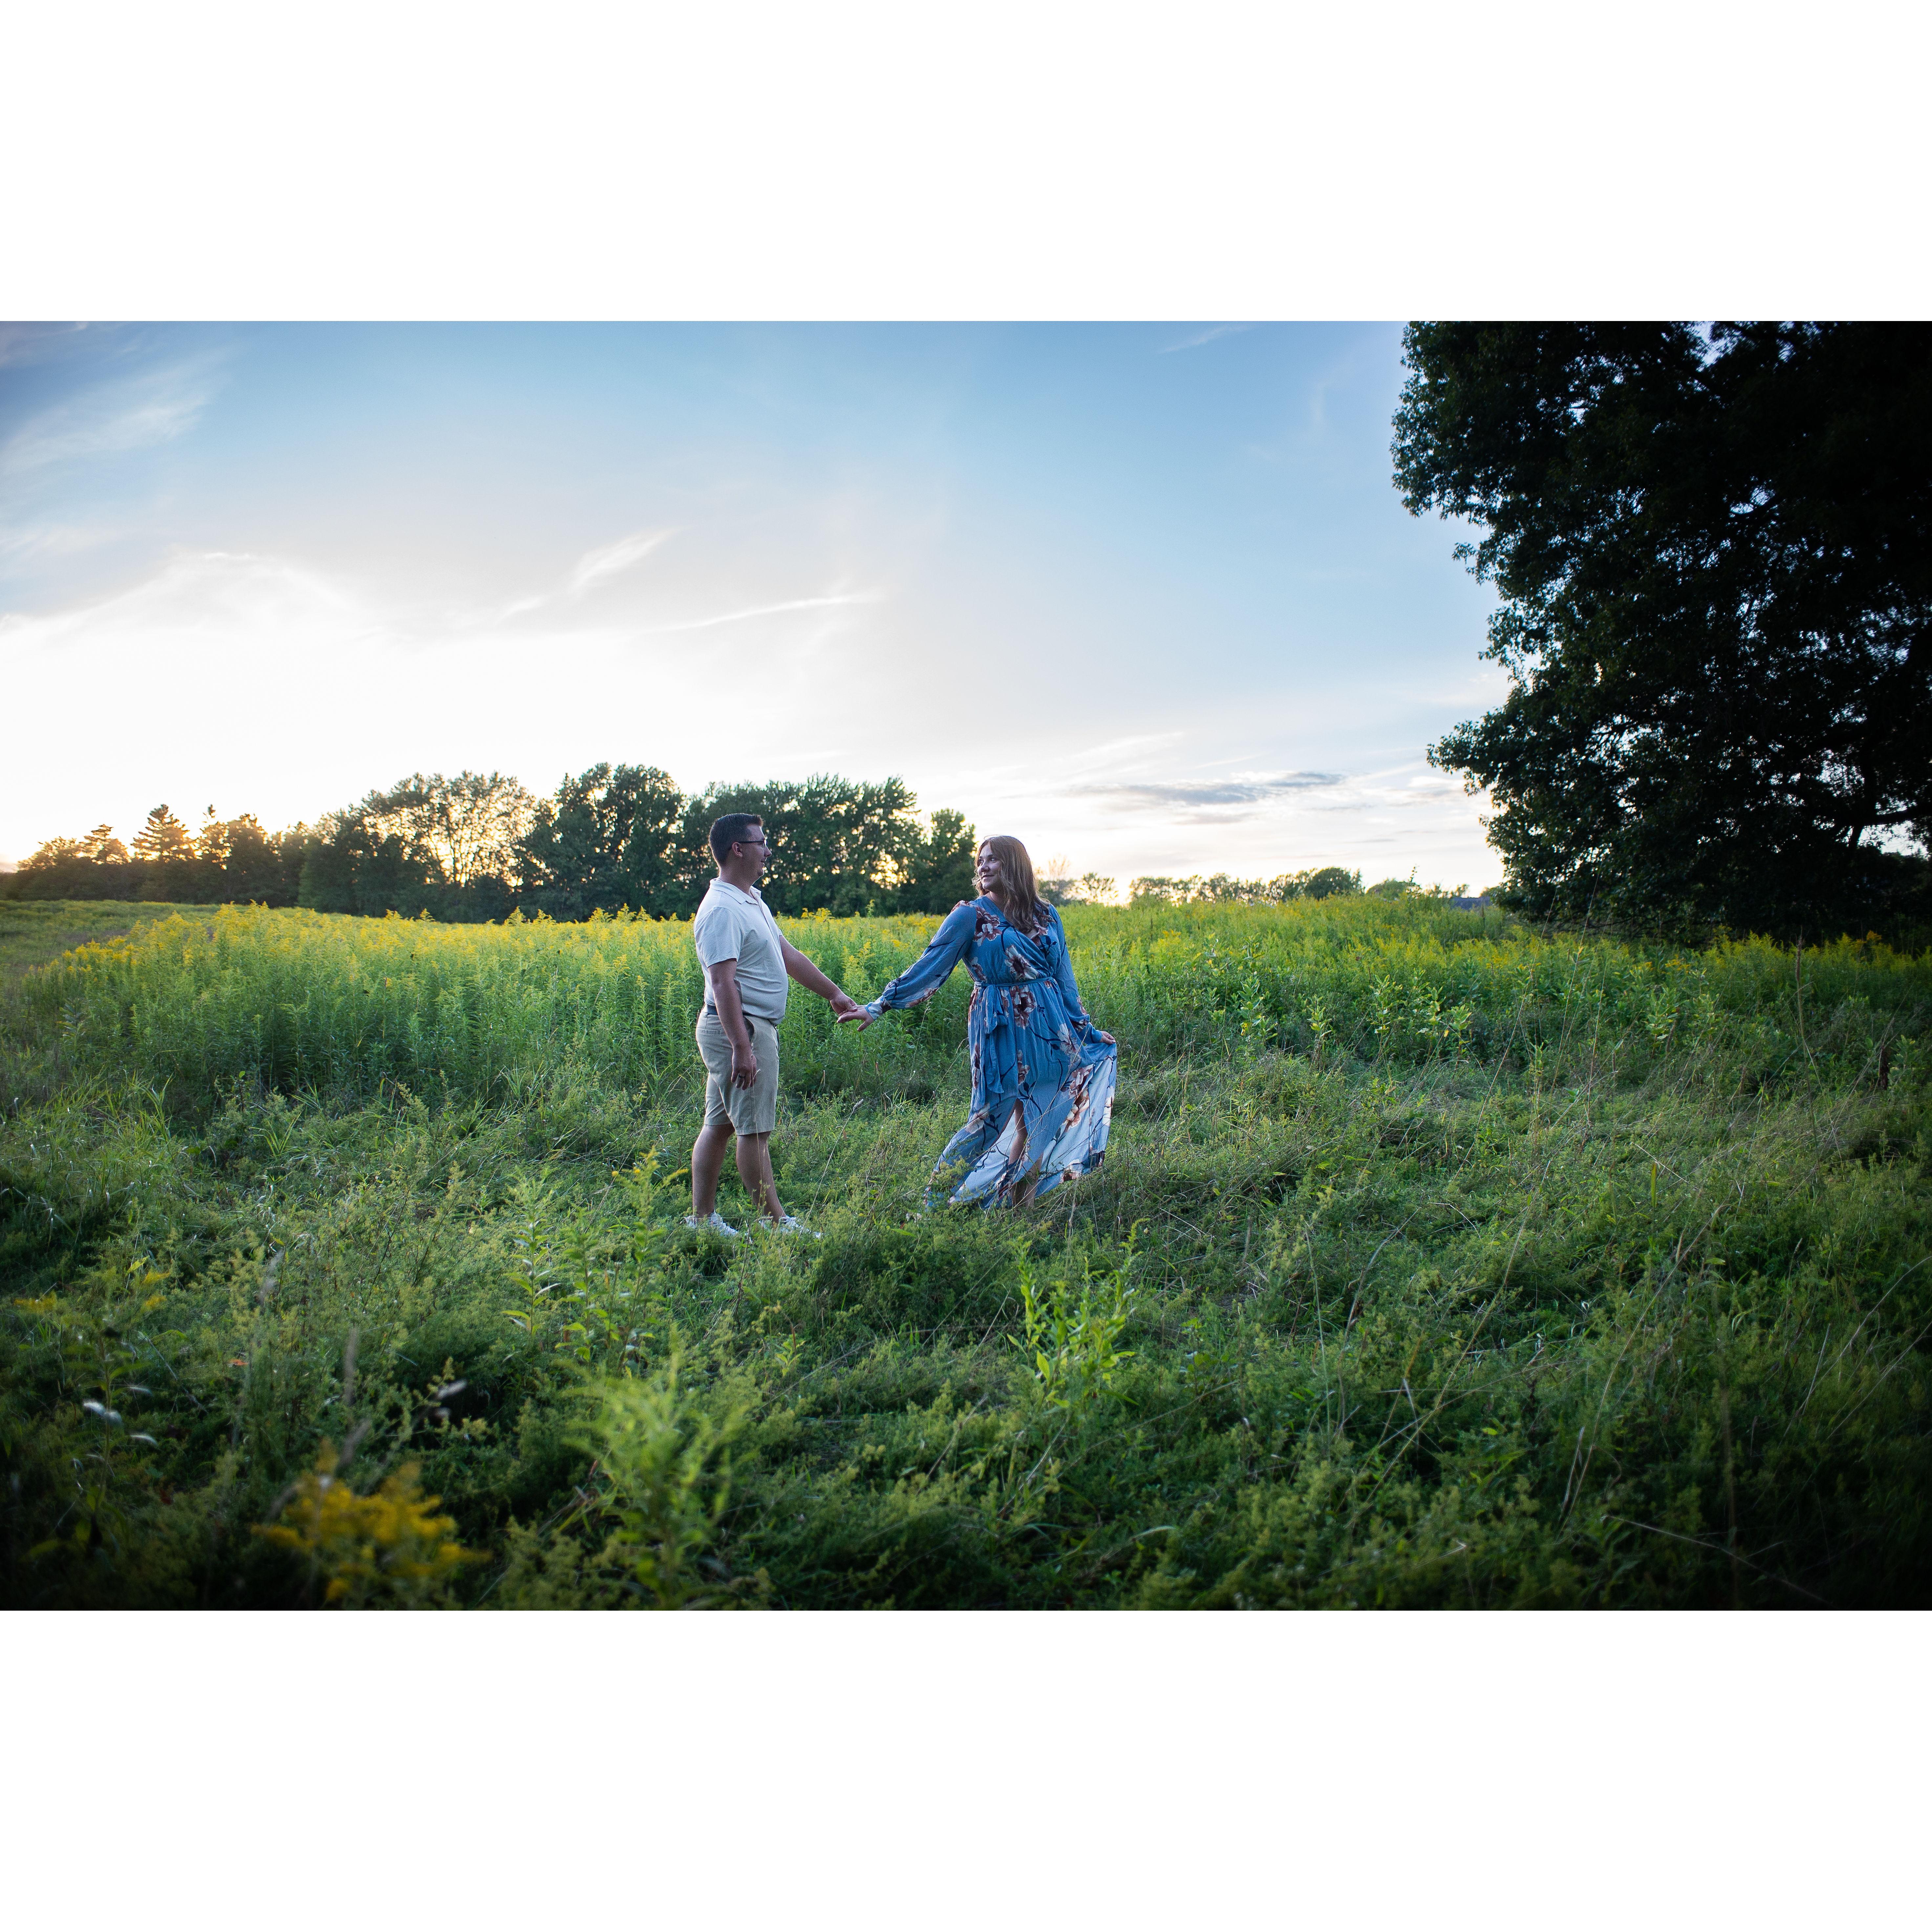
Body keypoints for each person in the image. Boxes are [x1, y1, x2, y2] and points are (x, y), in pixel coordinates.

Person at [839, 835, 1116, 1207]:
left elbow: (1065, 978)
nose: (982, 867)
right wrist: (879, 1006)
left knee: (1038, 1121)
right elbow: (930, 965)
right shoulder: (970, 915)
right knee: (988, 1120)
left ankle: (1021, 1212)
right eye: (980, 861)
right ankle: (932, 1206)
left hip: (1049, 1030)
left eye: (992, 860)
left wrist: (1086, 1030)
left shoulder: (1047, 914)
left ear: (1015, 864)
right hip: (998, 1027)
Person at [688, 811, 861, 1236]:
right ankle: (775, 1224)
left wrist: (834, 994)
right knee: (755, 1131)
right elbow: (722, 981)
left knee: (721, 1124)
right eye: (761, 842)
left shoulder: (750, 901)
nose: (768, 850)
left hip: (741, 1028)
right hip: (740, 1028)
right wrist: (742, 1048)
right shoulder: (721, 909)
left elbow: (789, 955)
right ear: (738, 848)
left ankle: (701, 1219)